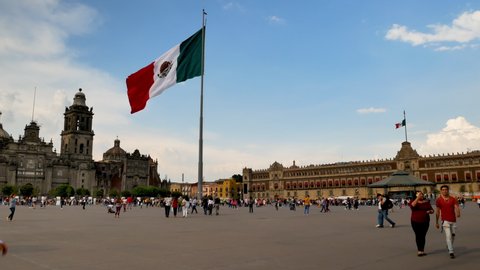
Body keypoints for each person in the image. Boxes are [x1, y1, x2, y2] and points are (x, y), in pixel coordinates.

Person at [435, 185, 461, 259]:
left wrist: (458, 212)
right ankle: (451, 251)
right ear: (441, 191)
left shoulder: (453, 199)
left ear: (448, 190)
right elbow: (437, 211)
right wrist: (436, 222)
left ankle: (449, 245)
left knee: (453, 236)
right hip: (445, 220)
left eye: (446, 189)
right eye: (443, 190)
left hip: (453, 219)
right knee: (448, 236)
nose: (444, 191)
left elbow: (456, 206)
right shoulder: (439, 200)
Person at [409, 191, 434, 256]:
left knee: (423, 235)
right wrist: (417, 198)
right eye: (419, 194)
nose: (421, 195)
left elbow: (432, 210)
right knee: (418, 235)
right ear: (416, 195)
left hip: (425, 221)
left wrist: (430, 211)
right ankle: (419, 250)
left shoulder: (426, 202)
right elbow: (412, 206)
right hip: (415, 221)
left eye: (422, 194)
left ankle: (422, 250)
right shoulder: (412, 201)